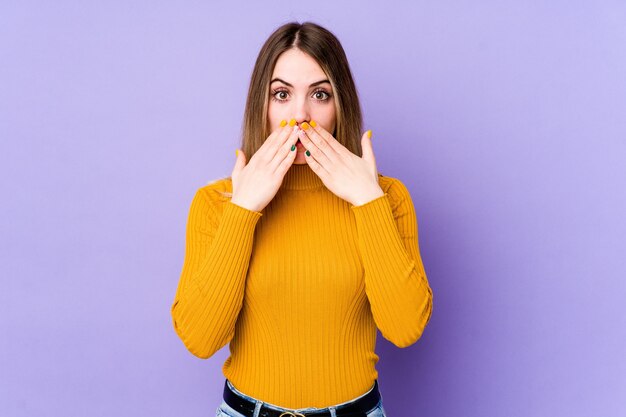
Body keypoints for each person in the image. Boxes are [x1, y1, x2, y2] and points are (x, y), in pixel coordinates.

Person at [170, 21, 434, 417]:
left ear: (339, 103)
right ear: (262, 104)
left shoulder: (387, 198)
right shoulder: (216, 202)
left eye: (320, 94)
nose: (300, 116)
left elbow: (405, 327)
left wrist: (367, 200)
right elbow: (200, 338)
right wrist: (244, 210)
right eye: (281, 94)